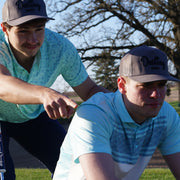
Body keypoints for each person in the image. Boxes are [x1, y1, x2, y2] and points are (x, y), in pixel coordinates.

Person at [0, 0, 108, 179]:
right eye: (23, 31)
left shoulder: (59, 47)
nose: (33, 39)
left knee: (78, 168)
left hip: (32, 116)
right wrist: (44, 93)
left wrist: (123, 105)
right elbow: (2, 85)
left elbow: (89, 90)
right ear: (5, 28)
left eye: (39, 29)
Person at [53, 45, 180, 180]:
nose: (156, 94)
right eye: (146, 85)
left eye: (161, 84)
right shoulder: (93, 115)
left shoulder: (166, 115)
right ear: (122, 85)